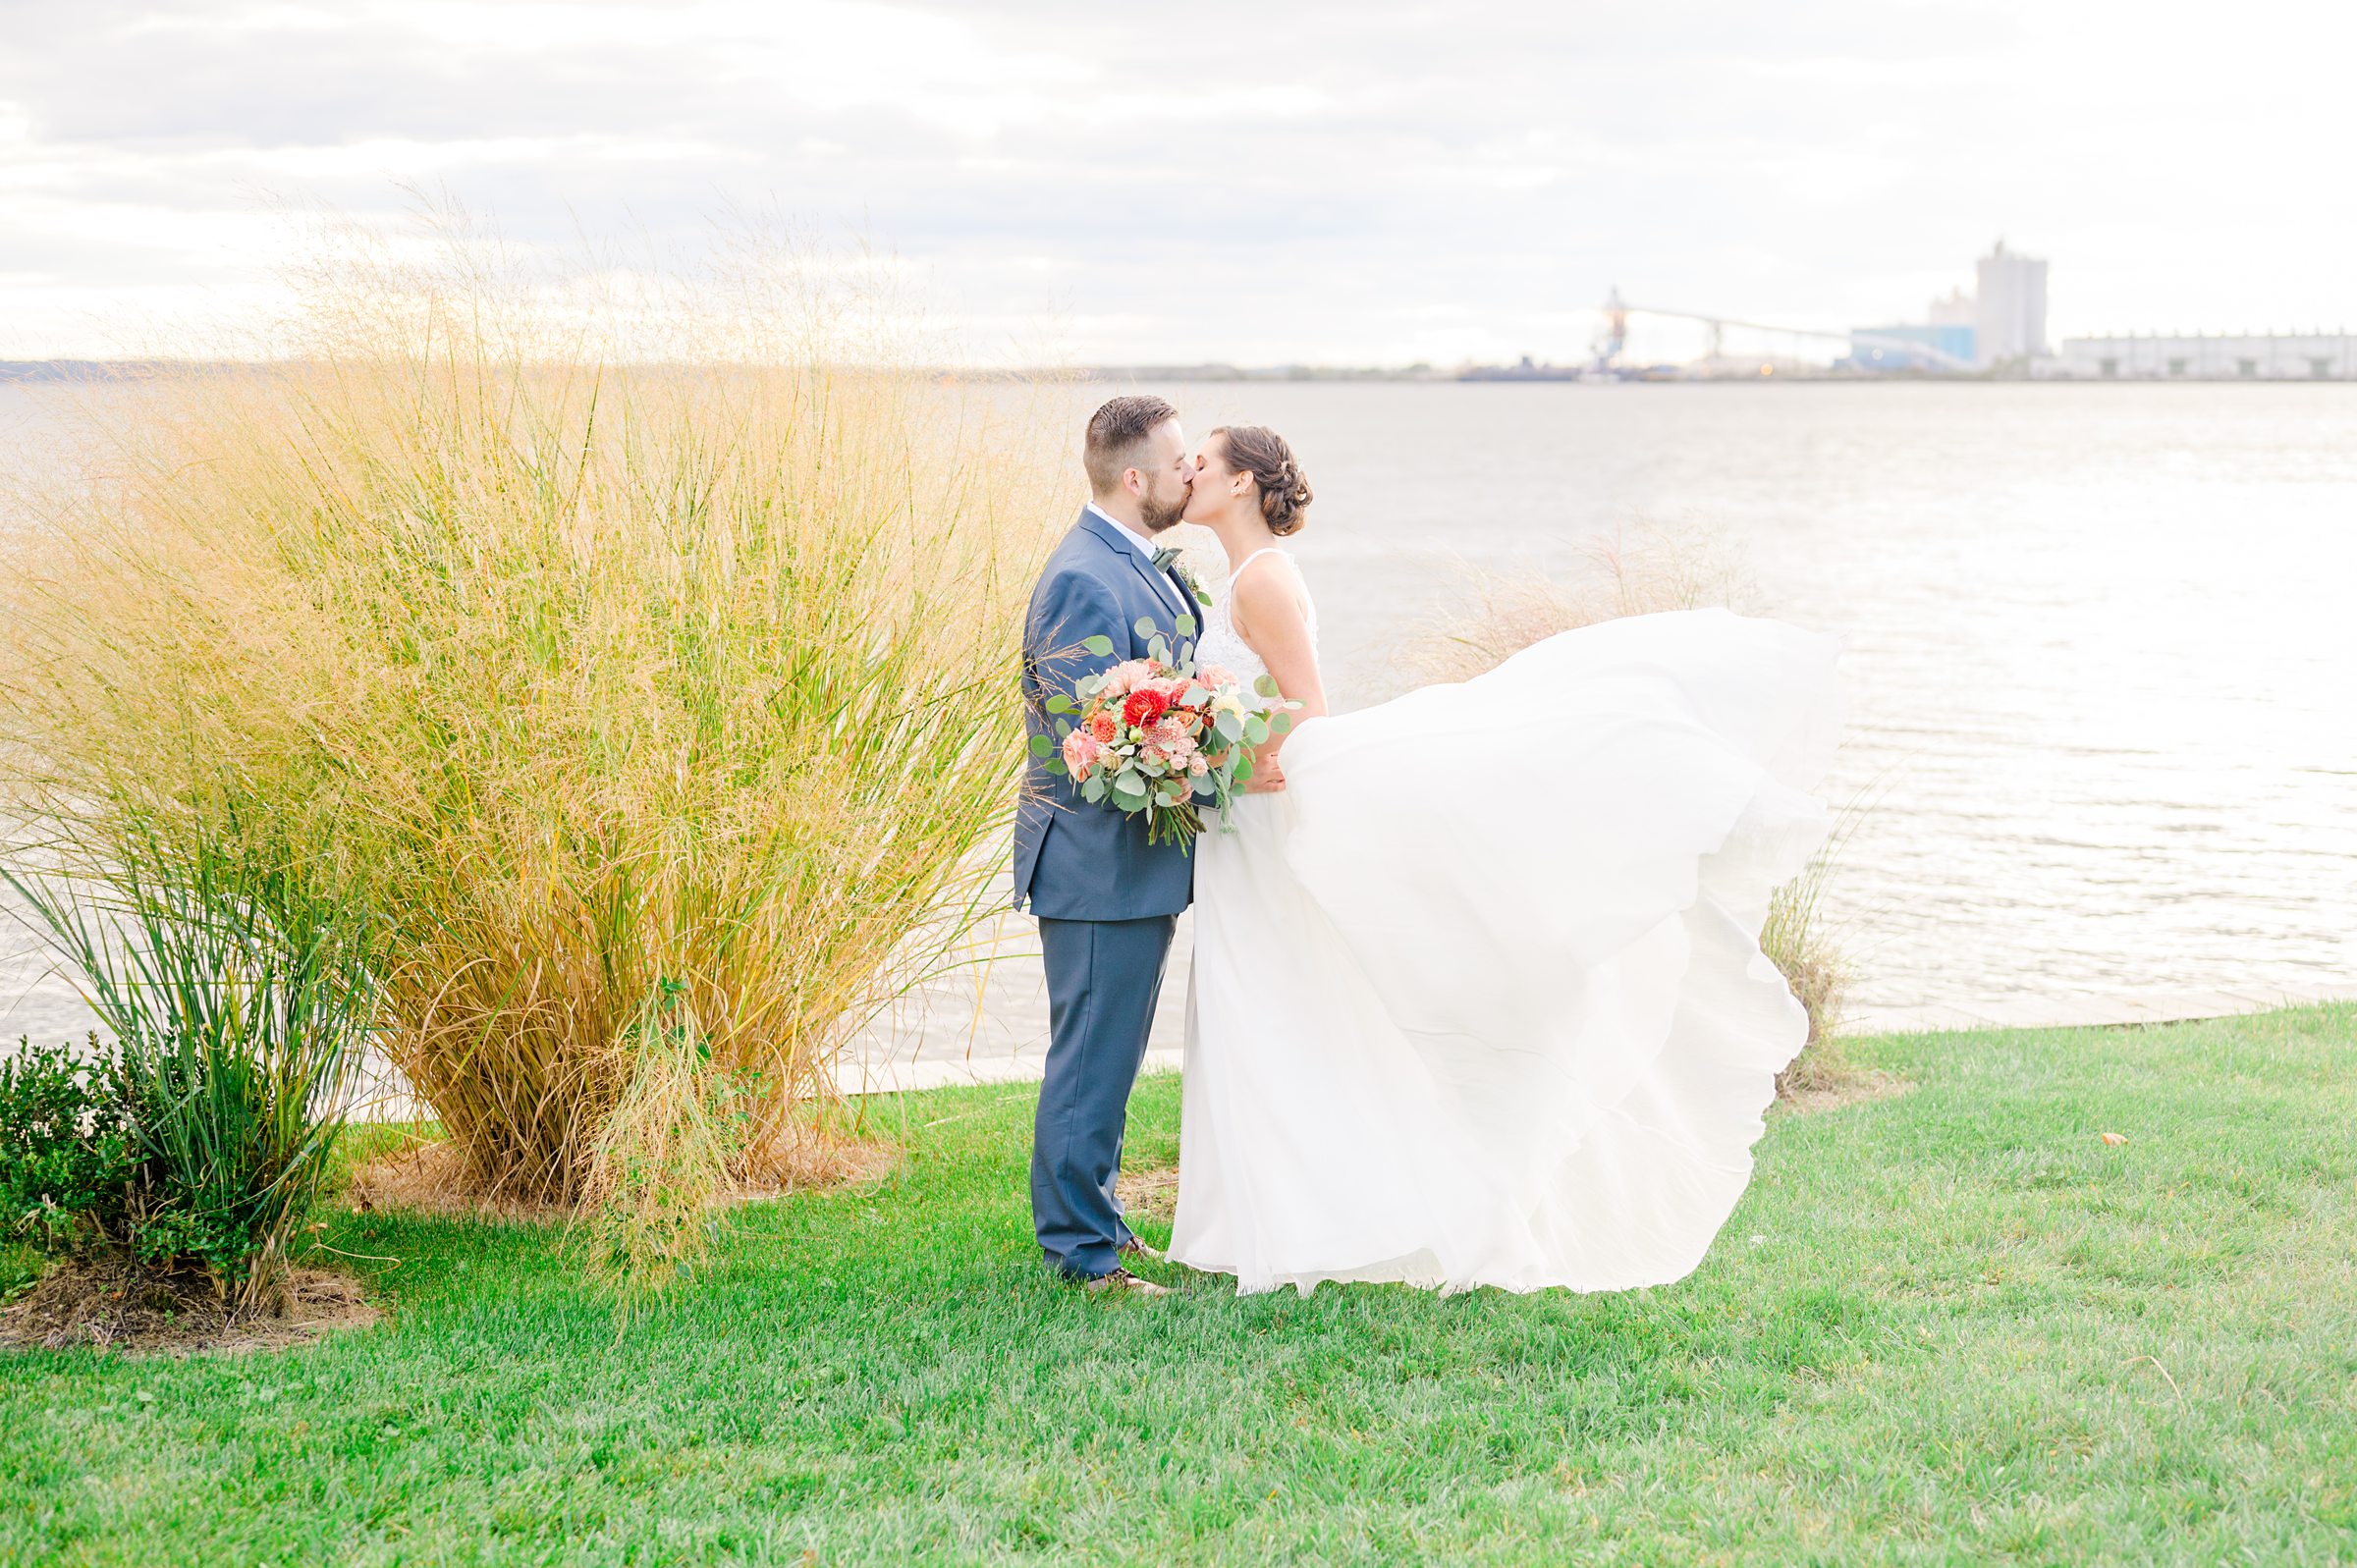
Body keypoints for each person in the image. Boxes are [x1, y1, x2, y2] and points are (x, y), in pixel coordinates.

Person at [1166, 423, 1843, 1295]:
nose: (1190, 472)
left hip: (1256, 824)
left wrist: (1211, 763)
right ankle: (1260, 1215)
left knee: (1270, 998)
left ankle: (1312, 1218)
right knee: (1263, 1002)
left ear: (1248, 485)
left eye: (1205, 462)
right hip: (1241, 830)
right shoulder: (1241, 579)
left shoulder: (1260, 582)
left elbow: (1311, 713)